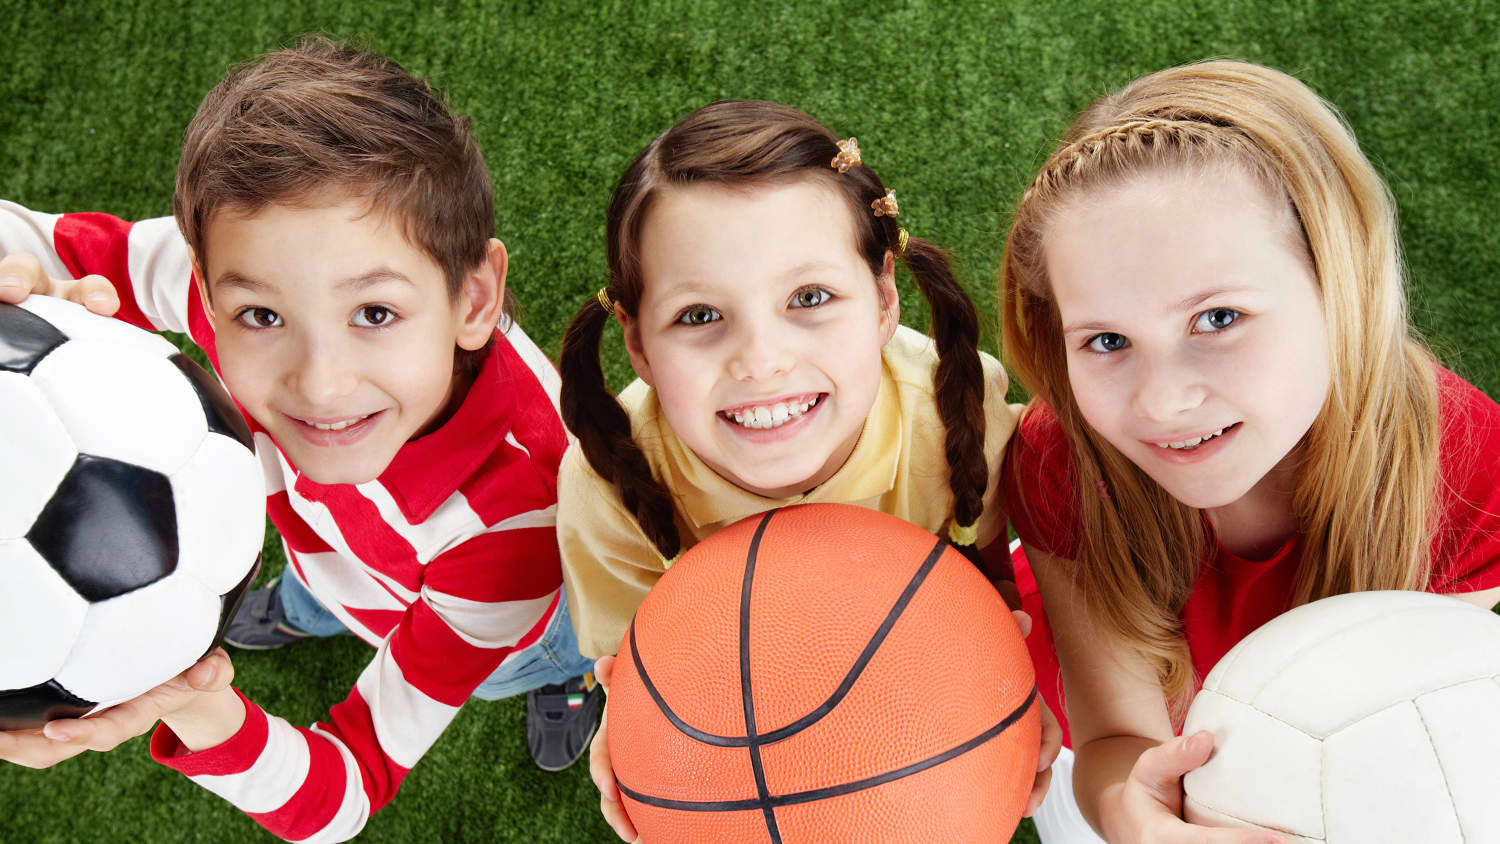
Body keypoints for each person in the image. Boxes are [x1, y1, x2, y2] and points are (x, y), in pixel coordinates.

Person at [0, 37, 600, 841]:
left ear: (474, 297)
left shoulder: (512, 532)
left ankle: (564, 683)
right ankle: (309, 603)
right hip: (330, 549)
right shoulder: (218, 279)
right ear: (209, 297)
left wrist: (204, 706)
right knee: (325, 584)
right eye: (262, 318)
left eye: (376, 314)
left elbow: (346, 792)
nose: (321, 384)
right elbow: (29, 239)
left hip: (513, 622)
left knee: (539, 655)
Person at [997, 60, 1500, 843]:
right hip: (1122, 771)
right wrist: (1133, 817)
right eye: (1106, 340)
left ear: (1342, 283)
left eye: (1219, 318)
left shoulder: (1466, 463)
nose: (1163, 402)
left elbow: (1426, 730)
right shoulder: (1067, 459)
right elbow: (1112, 741)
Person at [554, 99, 1059, 840]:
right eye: (699, 315)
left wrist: (997, 690)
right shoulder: (609, 481)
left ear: (884, 298)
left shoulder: (950, 413)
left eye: (810, 298)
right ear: (637, 344)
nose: (762, 362)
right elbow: (634, 653)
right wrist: (637, 720)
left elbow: (986, 570)